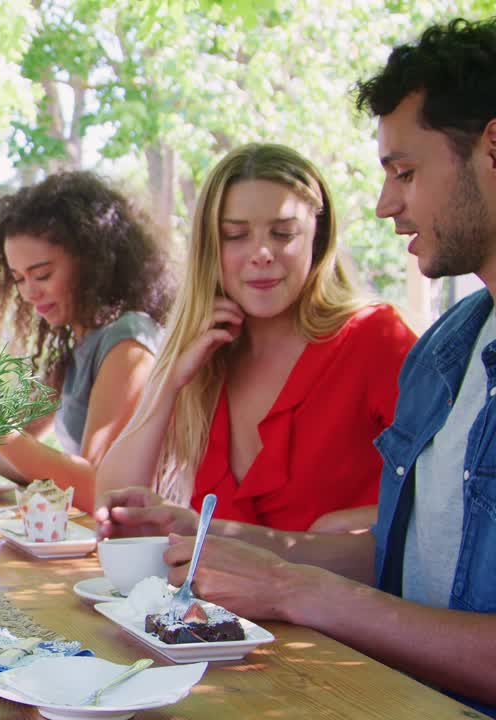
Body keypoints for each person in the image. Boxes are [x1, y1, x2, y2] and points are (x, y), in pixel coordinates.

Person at [97, 18, 496, 715]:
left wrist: (292, 585)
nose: (386, 204)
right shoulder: (451, 346)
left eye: (405, 172)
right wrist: (210, 532)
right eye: (235, 236)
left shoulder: (381, 339)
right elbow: (405, 554)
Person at [95, 144, 417, 532]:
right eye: (235, 235)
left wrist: (337, 530)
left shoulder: (373, 337)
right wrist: (169, 384)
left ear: (317, 238)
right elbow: (113, 506)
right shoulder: (207, 361)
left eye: (283, 234)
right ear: (210, 247)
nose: (262, 253)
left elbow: (450, 499)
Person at [0, 172, 173, 502]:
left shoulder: (128, 345)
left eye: (42, 275)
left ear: (91, 263)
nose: (29, 292)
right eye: (18, 279)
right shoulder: (78, 344)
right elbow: (21, 452)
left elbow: (98, 488)